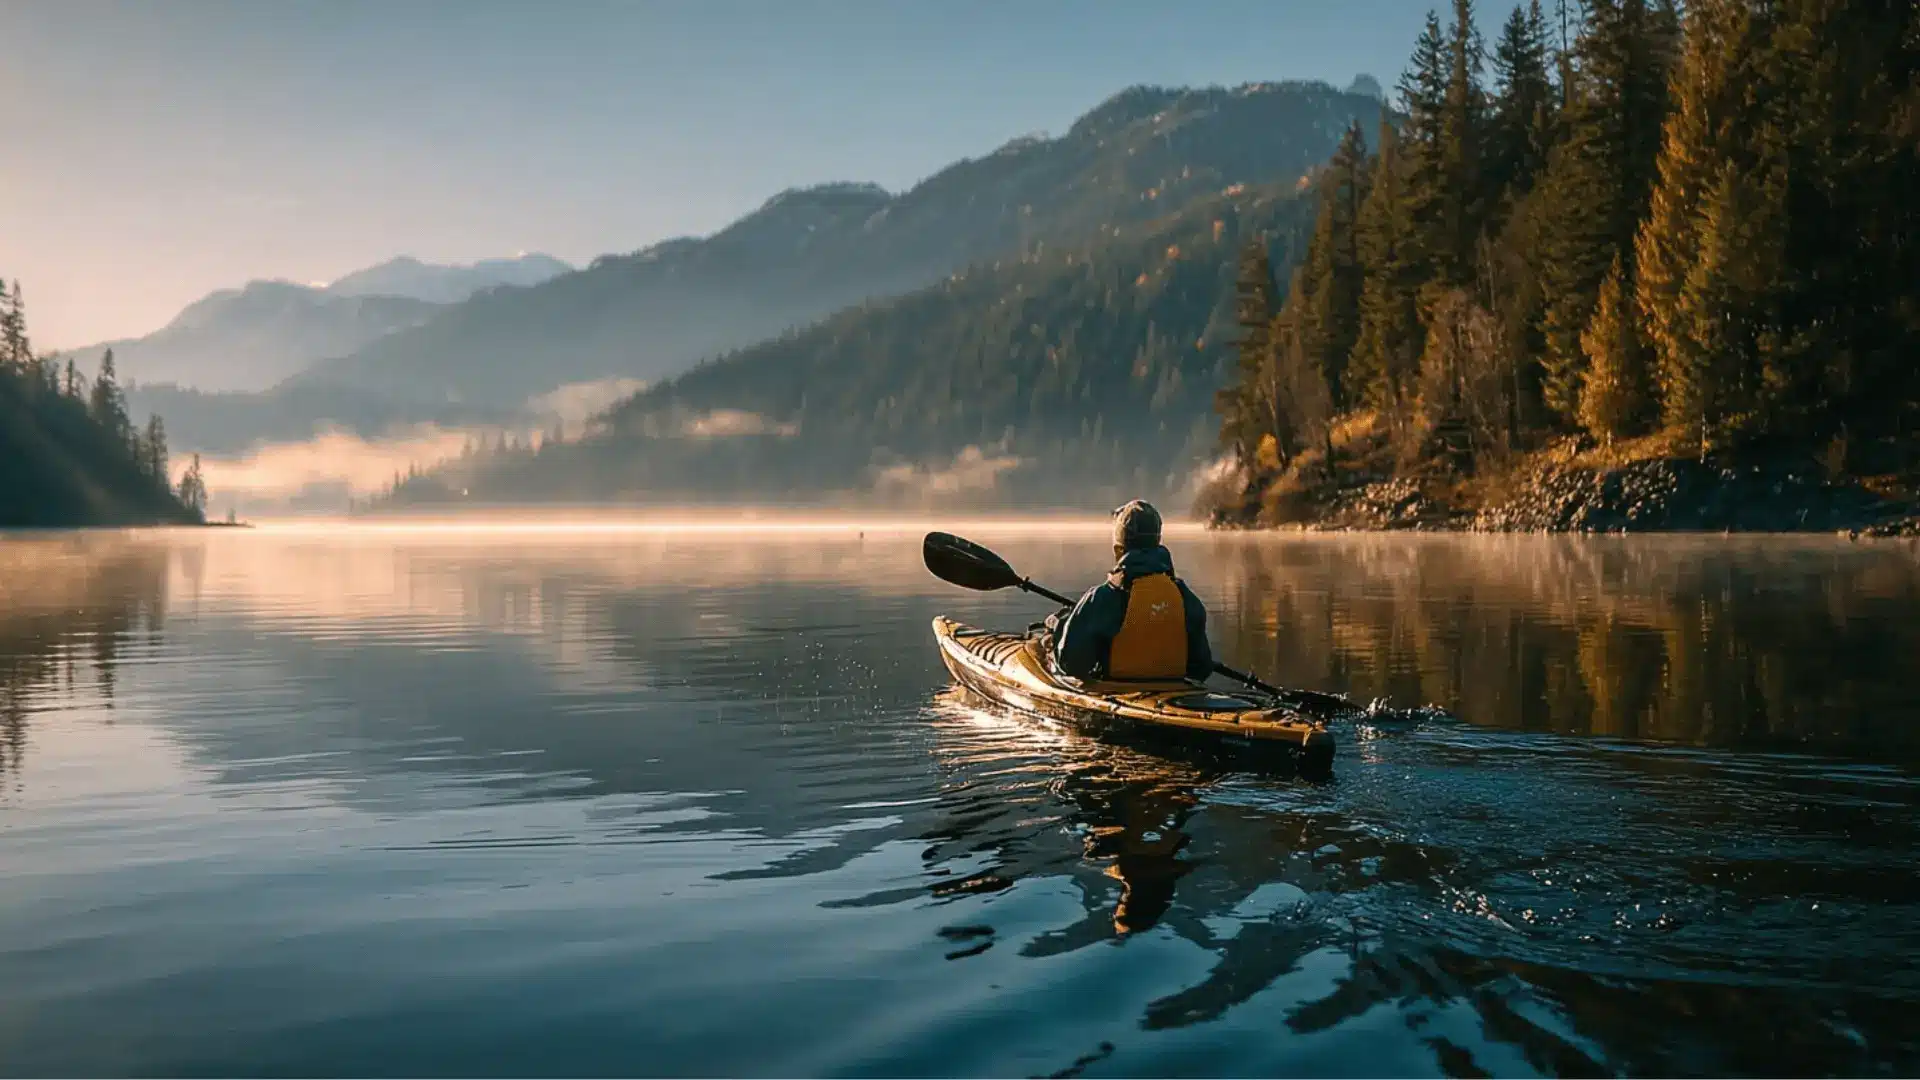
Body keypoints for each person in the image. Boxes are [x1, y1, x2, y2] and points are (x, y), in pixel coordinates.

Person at [1045, 500, 1214, 682]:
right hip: (1172, 691)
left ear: (1118, 549)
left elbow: (1071, 664)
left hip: (1119, 692)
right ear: (1157, 541)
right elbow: (1201, 669)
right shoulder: (1183, 596)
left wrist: (1060, 628)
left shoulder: (1103, 597)